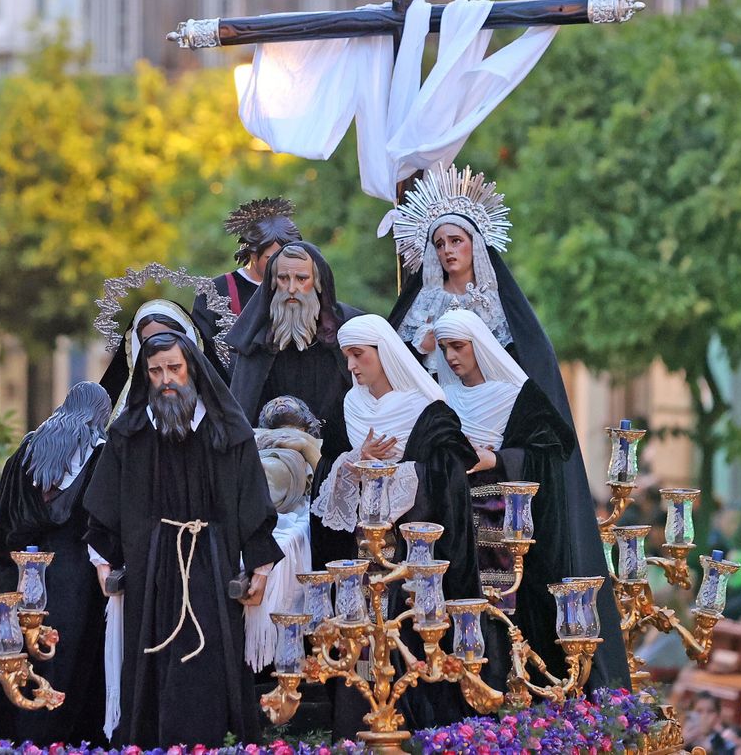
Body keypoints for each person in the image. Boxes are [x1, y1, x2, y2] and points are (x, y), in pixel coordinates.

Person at [384, 162, 625, 686]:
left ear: (476, 243)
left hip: (495, 483)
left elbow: (534, 405)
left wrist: (499, 454)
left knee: (502, 592)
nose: (448, 251)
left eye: (457, 240)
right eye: (439, 243)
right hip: (435, 472)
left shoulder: (505, 315)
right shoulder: (418, 311)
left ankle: (511, 683)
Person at [84, 331, 283, 747]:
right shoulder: (129, 434)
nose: (166, 380)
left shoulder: (228, 430)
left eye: (174, 368)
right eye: (155, 371)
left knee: (209, 663)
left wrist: (260, 569)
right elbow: (103, 507)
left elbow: (254, 503)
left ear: (192, 367)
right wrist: (104, 563)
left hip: (212, 566)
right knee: (152, 661)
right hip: (151, 569)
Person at [431, 307, 626, 685]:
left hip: (509, 523)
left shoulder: (518, 395)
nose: (451, 356)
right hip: (457, 523)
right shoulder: (442, 399)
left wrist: (498, 460)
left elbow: (552, 452)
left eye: (458, 346)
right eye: (444, 349)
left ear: (479, 345)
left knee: (509, 621)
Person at [310, 313, 482, 732]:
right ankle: (359, 727)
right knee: (360, 639)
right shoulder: (348, 406)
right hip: (360, 554)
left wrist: (399, 473)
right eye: (347, 356)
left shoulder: (428, 410)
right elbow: (326, 471)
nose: (351, 365)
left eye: (358, 354)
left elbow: (451, 476)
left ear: (384, 352)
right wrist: (357, 461)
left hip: (412, 555)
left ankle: (416, 730)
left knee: (409, 639)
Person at [0, 381, 111, 745]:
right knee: (67, 661)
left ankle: (14, 740)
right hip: (76, 584)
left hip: (18, 579)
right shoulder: (103, 455)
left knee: (16, 662)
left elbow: (5, 528)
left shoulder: (25, 452)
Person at [225, 242, 364, 477]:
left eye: (301, 279)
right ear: (272, 283)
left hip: (338, 458)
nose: (291, 288)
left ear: (318, 282)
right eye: (283, 278)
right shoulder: (257, 342)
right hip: (269, 461)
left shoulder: (346, 332)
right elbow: (240, 414)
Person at [243, 396, 322, 672]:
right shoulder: (252, 437)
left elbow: (325, 474)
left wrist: (304, 445)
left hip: (284, 477)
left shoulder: (310, 445)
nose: (279, 403)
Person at [192, 197, 304, 347]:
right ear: (253, 253)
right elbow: (200, 349)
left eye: (286, 258)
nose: (280, 266)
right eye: (271, 258)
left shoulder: (301, 289)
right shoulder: (215, 291)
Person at [99, 298, 225, 422]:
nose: (158, 349)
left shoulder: (212, 407)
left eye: (167, 339)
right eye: (148, 341)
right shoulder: (124, 412)